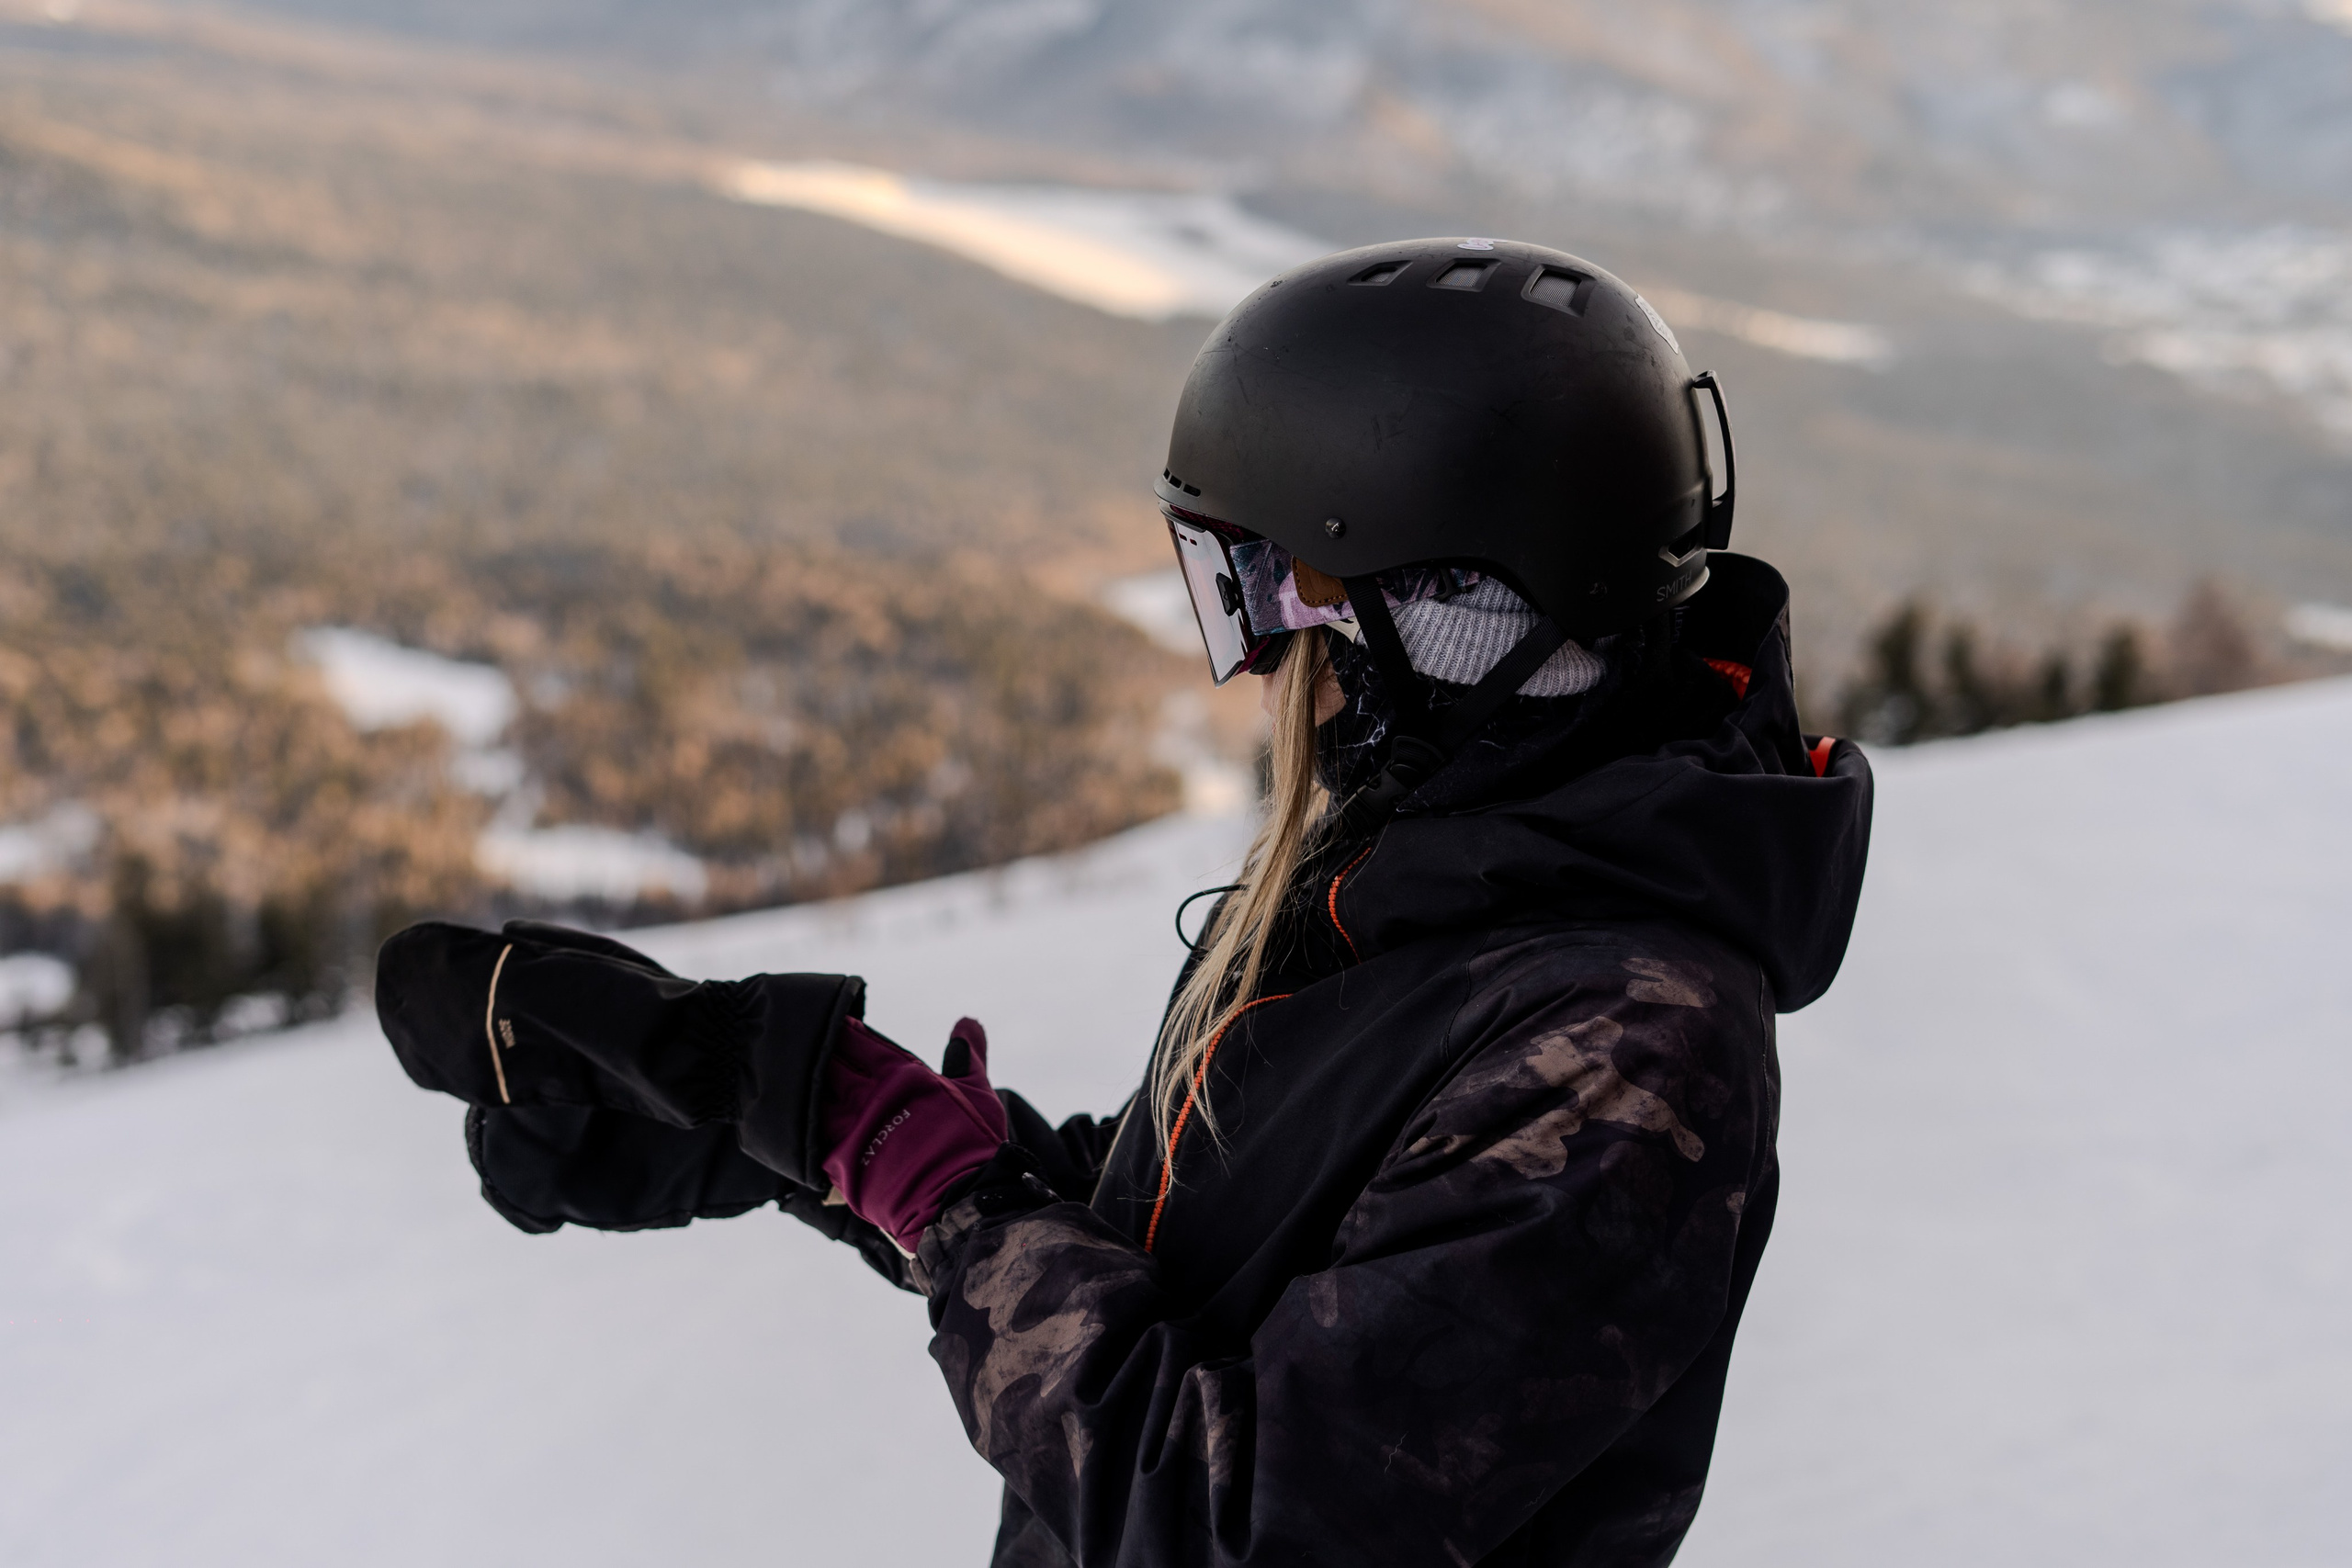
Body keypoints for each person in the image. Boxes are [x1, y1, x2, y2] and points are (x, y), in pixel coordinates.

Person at [378, 237, 1872, 1566]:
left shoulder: (1627, 1040)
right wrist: (788, 1131)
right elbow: (1208, 1241)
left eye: (1274, 590)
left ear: (1427, 615)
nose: (1267, 655)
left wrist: (912, 1173)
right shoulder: (1460, 888)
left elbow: (1229, 1519)